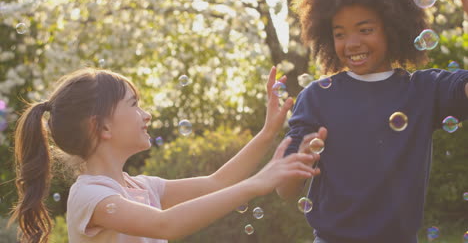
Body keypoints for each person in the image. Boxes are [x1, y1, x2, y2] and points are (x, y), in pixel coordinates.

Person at [8, 66, 322, 243]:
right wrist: (259, 183)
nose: (146, 115)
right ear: (101, 127)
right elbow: (165, 225)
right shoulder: (90, 196)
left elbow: (216, 183)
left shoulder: (142, 187)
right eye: (134, 105)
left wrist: (267, 133)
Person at [276, 0, 468, 242]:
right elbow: (284, 190)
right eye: (340, 33)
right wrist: (301, 159)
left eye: (365, 30)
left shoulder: (424, 90)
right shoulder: (316, 97)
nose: (352, 43)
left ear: (392, 28)